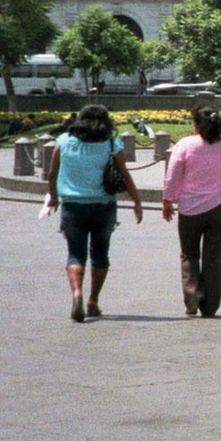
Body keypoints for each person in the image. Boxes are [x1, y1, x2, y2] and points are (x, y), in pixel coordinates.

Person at [43, 103, 141, 322]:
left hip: (72, 206)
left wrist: (53, 197)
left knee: (75, 254)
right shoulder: (112, 144)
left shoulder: (64, 142)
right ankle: (93, 301)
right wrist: (137, 202)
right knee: (100, 255)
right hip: (103, 206)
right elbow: (124, 175)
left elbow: (51, 173)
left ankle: (76, 293)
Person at [161, 106, 221, 317]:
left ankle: (192, 295)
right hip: (220, 208)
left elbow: (172, 174)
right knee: (213, 259)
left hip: (190, 209)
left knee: (189, 254)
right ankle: (210, 307)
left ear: (195, 125)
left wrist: (167, 200)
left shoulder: (185, 145)